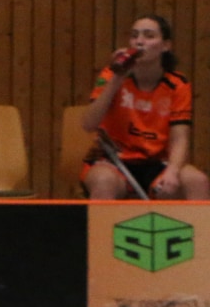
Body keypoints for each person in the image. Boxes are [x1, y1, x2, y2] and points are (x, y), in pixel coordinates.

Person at [81, 13, 209, 199]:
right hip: (113, 161)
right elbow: (88, 124)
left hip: (157, 163)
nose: (139, 42)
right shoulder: (111, 76)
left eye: (149, 36)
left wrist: (173, 171)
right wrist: (117, 78)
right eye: (134, 36)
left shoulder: (177, 84)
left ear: (165, 45)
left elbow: (179, 138)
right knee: (103, 181)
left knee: (197, 181)